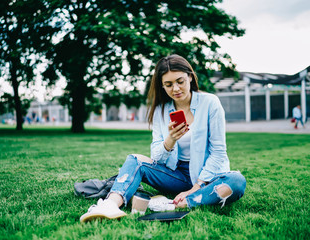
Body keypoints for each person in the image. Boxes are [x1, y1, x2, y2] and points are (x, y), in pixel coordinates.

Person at [80, 54, 246, 222]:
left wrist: (195, 187)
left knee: (237, 181)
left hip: (206, 177)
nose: (175, 89)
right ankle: (110, 205)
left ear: (190, 76)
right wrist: (171, 140)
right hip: (176, 176)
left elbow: (218, 152)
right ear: (162, 86)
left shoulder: (210, 103)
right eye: (168, 84)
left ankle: (177, 204)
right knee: (134, 160)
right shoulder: (160, 110)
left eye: (180, 81)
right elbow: (157, 158)